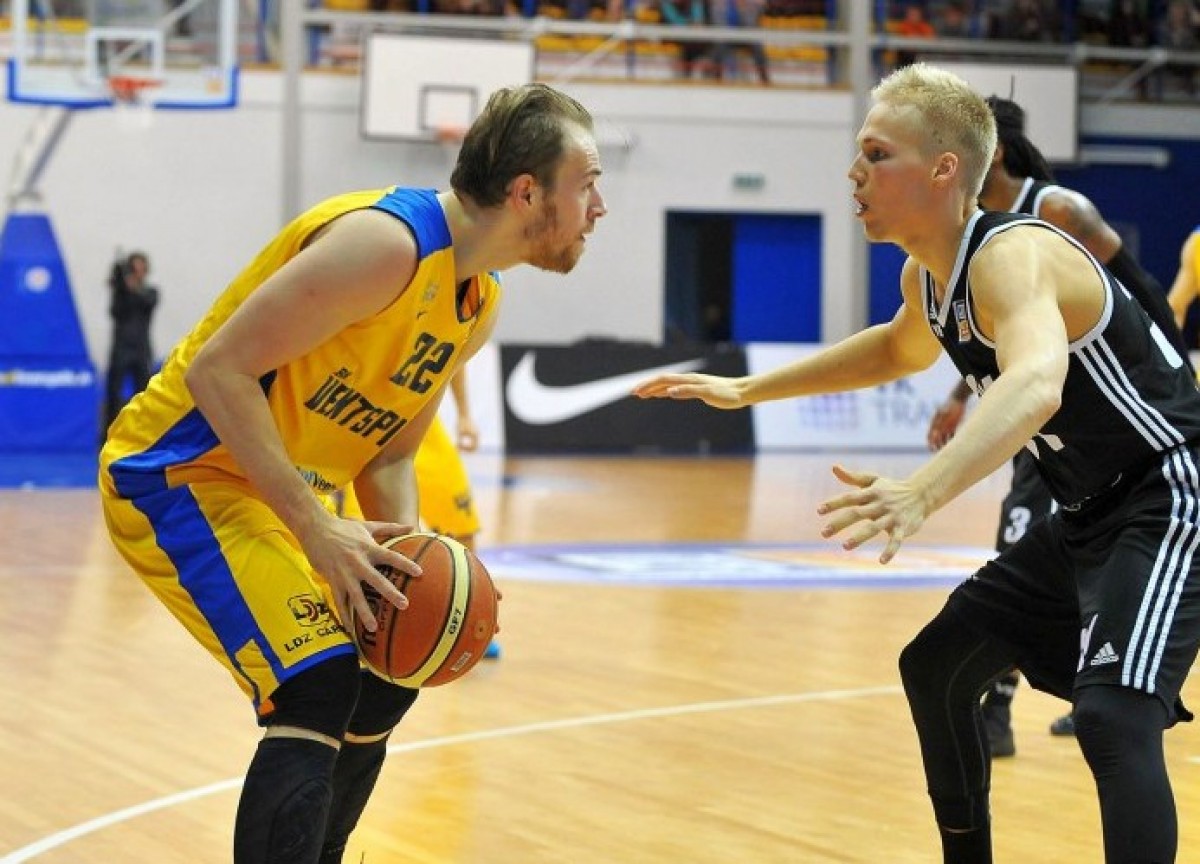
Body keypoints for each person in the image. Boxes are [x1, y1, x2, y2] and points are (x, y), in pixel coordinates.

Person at [635, 62, 1200, 863]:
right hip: (1089, 513)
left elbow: (1036, 383)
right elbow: (896, 350)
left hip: (1171, 490)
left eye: (876, 154)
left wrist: (924, 490)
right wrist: (747, 388)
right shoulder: (928, 277)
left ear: (943, 169)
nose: (854, 172)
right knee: (936, 667)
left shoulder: (1014, 254)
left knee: (1113, 718)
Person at [98, 82, 606, 864]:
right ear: (526, 192)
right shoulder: (386, 245)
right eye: (588, 183)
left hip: (280, 496)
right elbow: (218, 372)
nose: (600, 206)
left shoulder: (478, 302)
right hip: (182, 474)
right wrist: (316, 527)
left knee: (390, 669)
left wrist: (412, 563)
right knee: (318, 683)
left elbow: (391, 453)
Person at [925, 94, 1193, 753]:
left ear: (992, 153)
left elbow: (1139, 295)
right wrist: (959, 397)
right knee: (1015, 546)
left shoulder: (1057, 211)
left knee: (1111, 555)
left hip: (1100, 412)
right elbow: (993, 336)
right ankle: (1003, 712)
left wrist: (1175, 382)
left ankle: (1118, 679)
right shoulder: (970, 232)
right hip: (1036, 412)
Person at [103, 250, 160, 434]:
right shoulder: (121, 294)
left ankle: (142, 433)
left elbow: (147, 302)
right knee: (113, 394)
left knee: (143, 393)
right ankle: (109, 434)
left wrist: (130, 286)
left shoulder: (151, 292)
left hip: (141, 349)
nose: (137, 273)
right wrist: (120, 286)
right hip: (120, 348)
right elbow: (115, 312)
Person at [1167, 224, 1200, 339]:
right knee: (1175, 307)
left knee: (1175, 306)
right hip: (1196, 243)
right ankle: (1164, 344)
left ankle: (1164, 344)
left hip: (1195, 241)